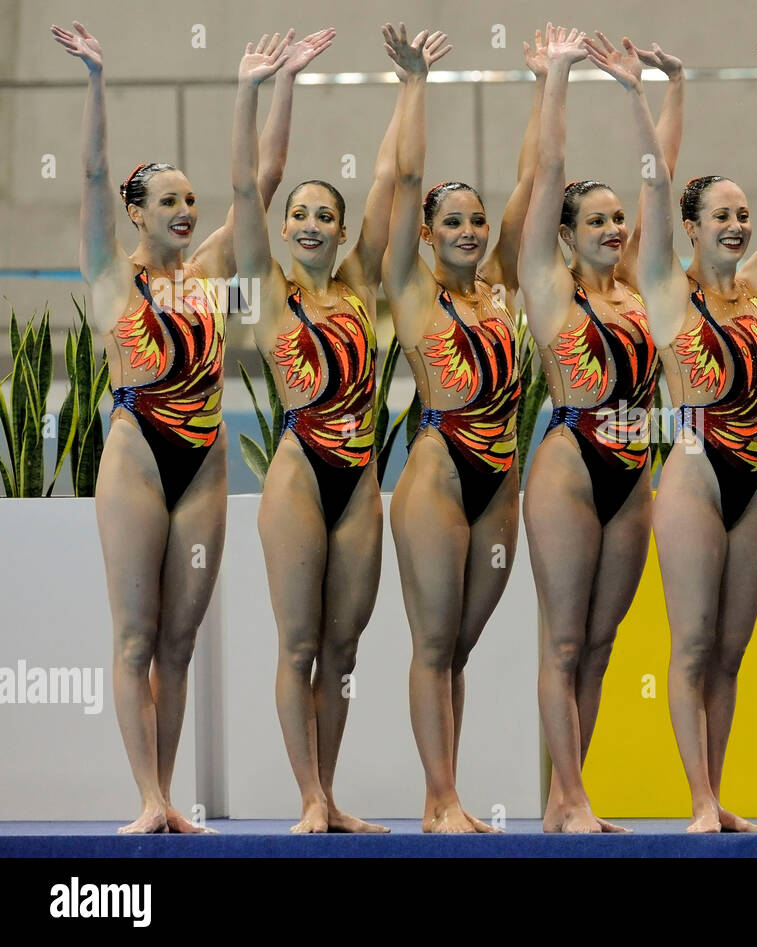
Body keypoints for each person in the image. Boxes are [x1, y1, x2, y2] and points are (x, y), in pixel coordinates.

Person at [51, 20, 329, 834]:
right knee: (135, 633)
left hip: (204, 459)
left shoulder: (209, 274)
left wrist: (274, 84)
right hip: (138, 454)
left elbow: (263, 182)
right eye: (167, 201)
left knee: (179, 641)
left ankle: (166, 796)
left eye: (188, 200)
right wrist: (97, 79)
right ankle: (145, 796)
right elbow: (95, 170)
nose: (184, 209)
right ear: (135, 213)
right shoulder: (110, 274)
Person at [586, 31, 757, 833]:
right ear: (693, 229)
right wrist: (649, 91)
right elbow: (653, 182)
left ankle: (719, 790)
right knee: (695, 641)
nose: (738, 225)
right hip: (697, 466)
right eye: (723, 216)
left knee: (733, 651)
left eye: (743, 216)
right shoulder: (668, 290)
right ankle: (697, 799)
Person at [233, 25, 422, 834]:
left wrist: (411, 85)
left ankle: (330, 795)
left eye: (324, 216)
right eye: (299, 214)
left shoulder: (360, 287)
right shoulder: (269, 290)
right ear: (285, 230)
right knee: (299, 643)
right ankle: (306, 796)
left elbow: (393, 175)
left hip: (360, 479)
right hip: (299, 468)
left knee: (343, 652)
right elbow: (249, 188)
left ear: (343, 234)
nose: (308, 223)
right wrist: (269, 85)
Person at [517, 25, 684, 833]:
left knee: (603, 642)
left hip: (635, 459)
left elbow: (661, 182)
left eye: (620, 220)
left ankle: (564, 796)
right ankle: (571, 797)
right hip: (571, 459)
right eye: (598, 222)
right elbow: (546, 173)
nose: (616, 230)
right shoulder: (549, 287)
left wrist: (636, 92)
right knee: (562, 639)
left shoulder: (643, 288)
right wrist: (556, 79)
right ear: (566, 232)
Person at [383, 27, 547, 833]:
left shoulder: (506, 289)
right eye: (454, 221)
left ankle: (443, 795)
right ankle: (440, 798)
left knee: (462, 649)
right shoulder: (413, 292)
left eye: (478, 221)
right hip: (440, 475)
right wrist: (415, 84)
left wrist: (548, 82)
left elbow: (534, 179)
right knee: (432, 641)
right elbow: (405, 173)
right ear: (426, 232)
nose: (472, 231)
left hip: (502, 478)